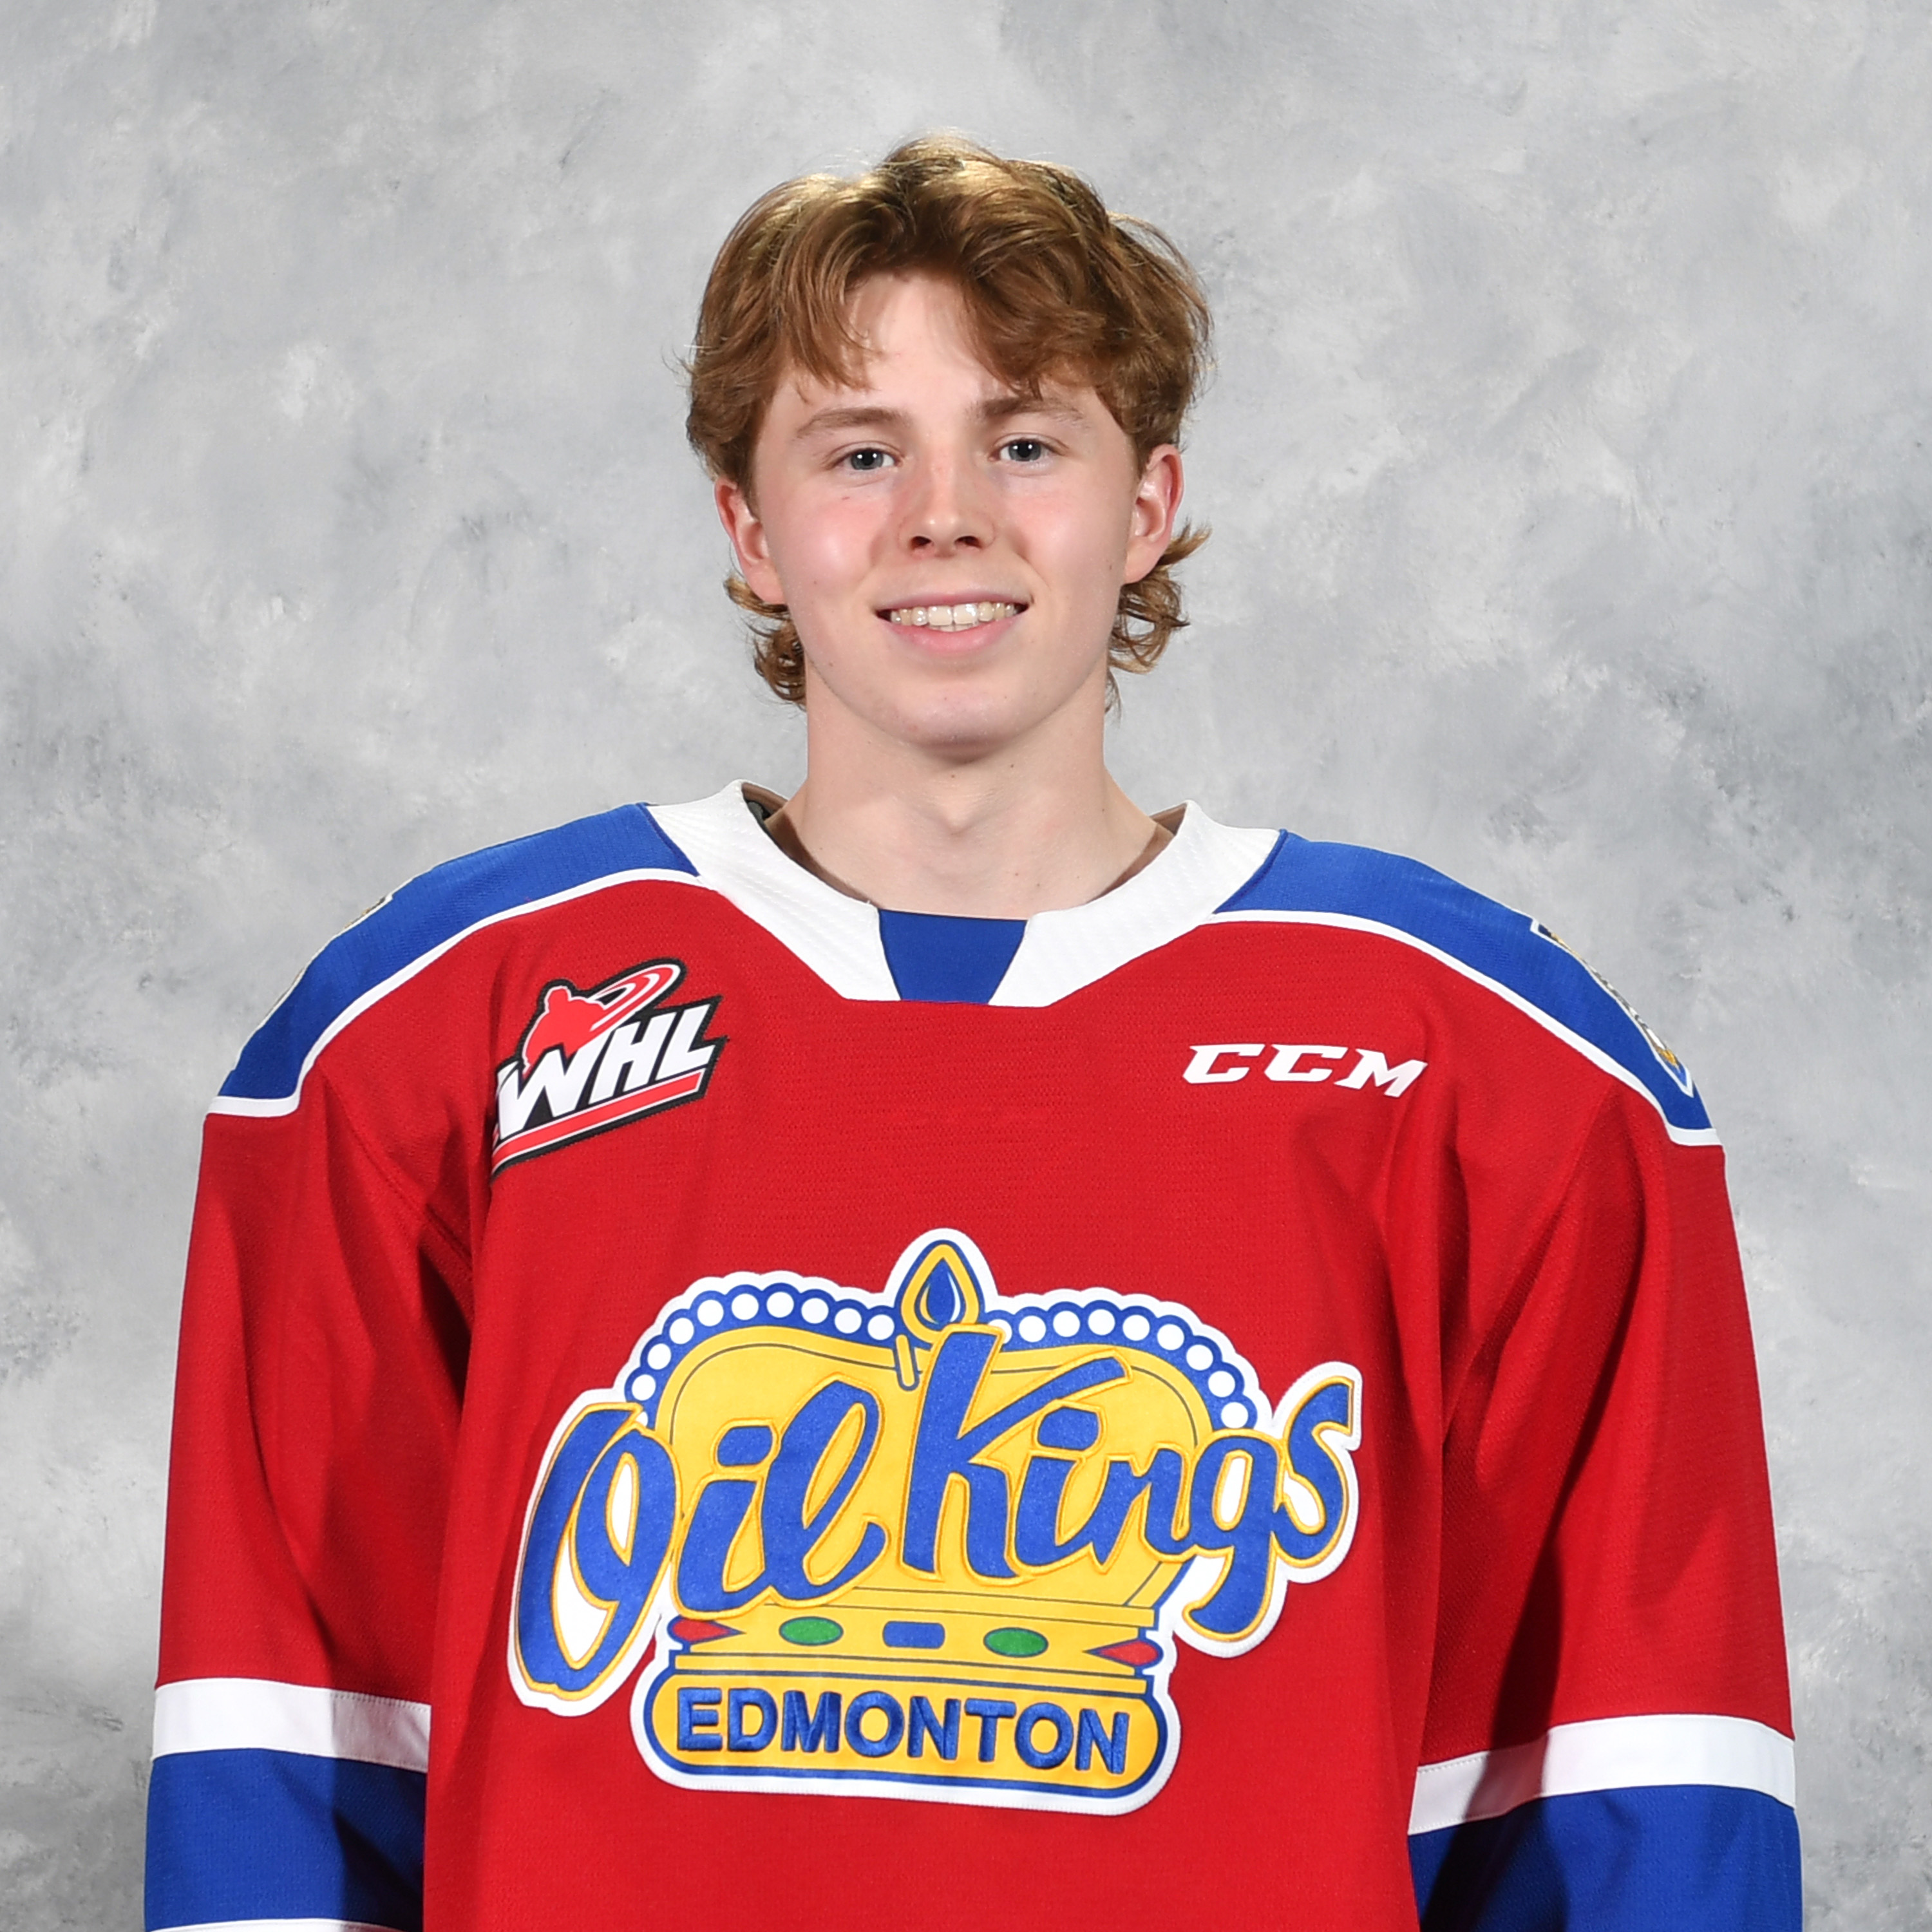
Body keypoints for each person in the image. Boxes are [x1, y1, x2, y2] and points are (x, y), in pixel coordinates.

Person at [144, 135, 1801, 1931]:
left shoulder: (1500, 1065)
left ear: (1147, 504)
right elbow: (291, 1746)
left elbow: (1640, 1781)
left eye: (1025, 442)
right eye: (862, 452)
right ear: (749, 531)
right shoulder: (426, 1031)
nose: (946, 516)